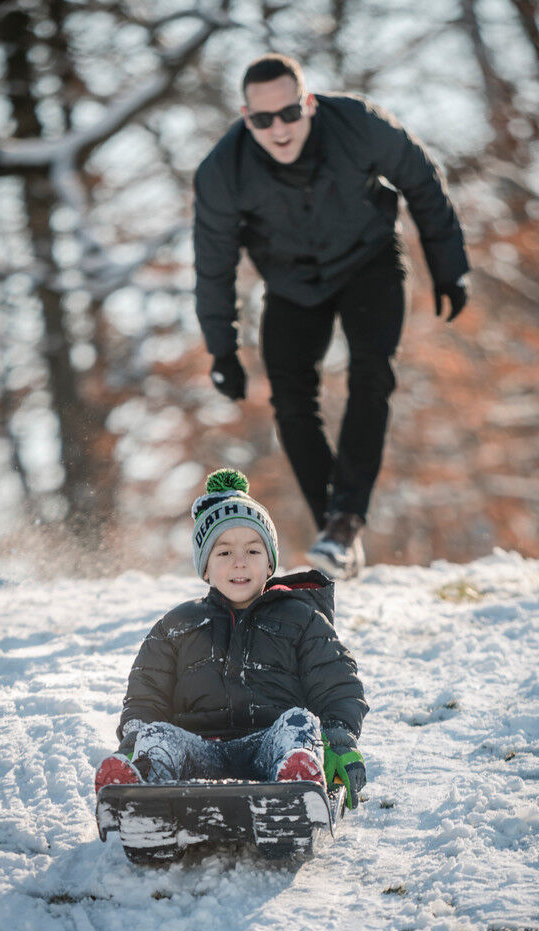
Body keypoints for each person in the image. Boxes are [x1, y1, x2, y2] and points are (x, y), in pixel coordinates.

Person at [194, 53, 470, 578]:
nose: (278, 129)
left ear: (309, 104)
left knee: (372, 372)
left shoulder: (359, 125)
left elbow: (422, 182)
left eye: (289, 114)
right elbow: (214, 266)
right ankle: (334, 532)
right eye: (262, 119)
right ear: (245, 115)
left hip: (370, 261)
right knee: (290, 397)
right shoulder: (222, 172)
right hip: (292, 283)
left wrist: (449, 267)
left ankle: (346, 520)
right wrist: (222, 348)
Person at [94, 468, 368, 810]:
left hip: (271, 749)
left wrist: (339, 737)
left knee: (298, 722)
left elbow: (336, 680)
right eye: (224, 553)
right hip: (196, 750)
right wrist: (136, 736)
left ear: (270, 564)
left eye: (253, 552)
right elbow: (147, 690)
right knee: (158, 737)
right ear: (205, 567)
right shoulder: (177, 625)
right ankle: (140, 782)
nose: (240, 563)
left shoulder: (300, 618)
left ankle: (298, 781)